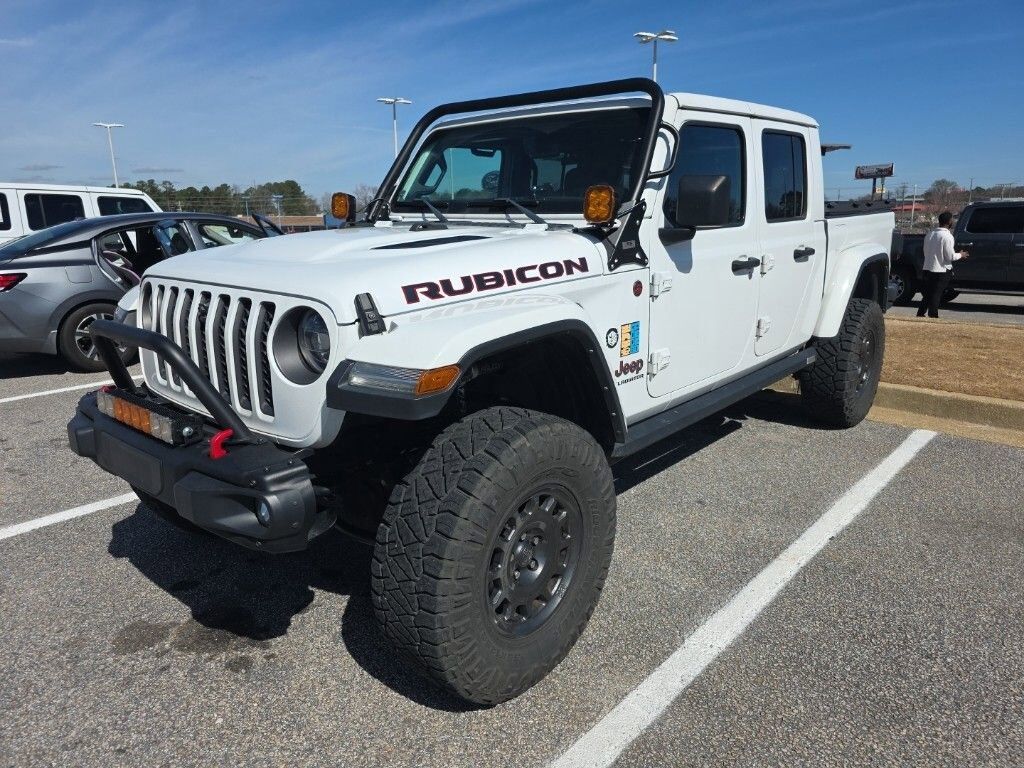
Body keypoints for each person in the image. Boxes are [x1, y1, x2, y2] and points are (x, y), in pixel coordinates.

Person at [917, 210, 968, 318]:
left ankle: (920, 313)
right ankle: (933, 315)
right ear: (949, 222)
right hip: (941, 270)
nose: (953, 221)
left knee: (928, 294)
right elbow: (950, 256)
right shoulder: (947, 237)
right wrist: (961, 254)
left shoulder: (929, 234)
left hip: (927, 268)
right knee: (936, 294)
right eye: (952, 220)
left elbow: (925, 252)